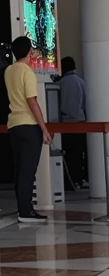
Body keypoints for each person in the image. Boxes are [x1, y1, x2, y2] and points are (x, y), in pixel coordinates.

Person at [5, 35, 51, 223]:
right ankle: (26, 212)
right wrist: (44, 129)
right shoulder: (27, 72)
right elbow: (32, 102)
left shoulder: (9, 71)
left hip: (13, 124)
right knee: (28, 170)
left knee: (20, 169)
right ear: (30, 52)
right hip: (29, 125)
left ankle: (22, 208)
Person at [60, 56, 88, 189]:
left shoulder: (60, 83)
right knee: (79, 152)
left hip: (64, 123)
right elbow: (85, 103)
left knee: (68, 153)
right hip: (79, 121)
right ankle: (80, 179)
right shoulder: (81, 82)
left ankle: (70, 180)